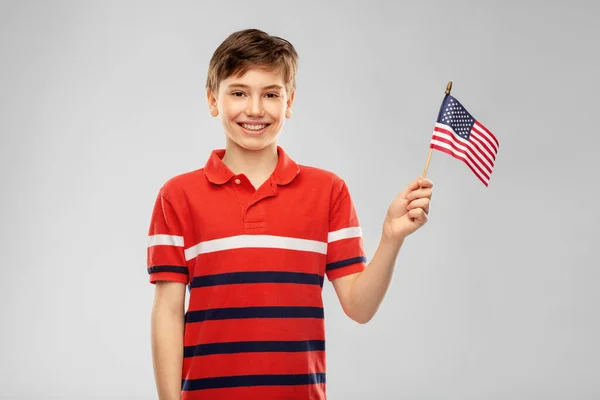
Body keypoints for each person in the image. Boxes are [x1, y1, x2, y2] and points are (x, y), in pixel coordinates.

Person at [146, 28, 433, 400]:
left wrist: (391, 238)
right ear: (213, 100)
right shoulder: (177, 196)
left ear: (290, 102)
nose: (254, 109)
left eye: (270, 94)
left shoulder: (329, 191)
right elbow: (168, 313)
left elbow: (359, 307)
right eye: (238, 92)